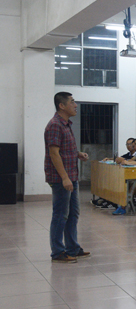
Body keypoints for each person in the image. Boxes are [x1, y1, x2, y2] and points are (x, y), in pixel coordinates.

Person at [45, 92, 90, 263]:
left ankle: (72, 248)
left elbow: (63, 148)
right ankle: (58, 252)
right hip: (61, 178)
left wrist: (78, 154)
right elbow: (54, 153)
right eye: (72, 102)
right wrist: (64, 178)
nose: (75, 105)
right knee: (60, 215)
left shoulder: (65, 124)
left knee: (73, 214)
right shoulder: (55, 125)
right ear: (62, 106)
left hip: (71, 175)